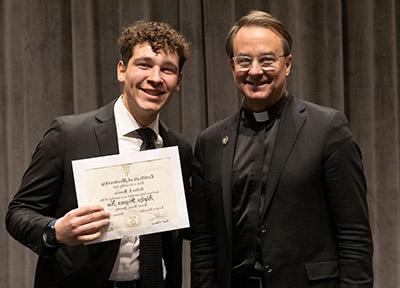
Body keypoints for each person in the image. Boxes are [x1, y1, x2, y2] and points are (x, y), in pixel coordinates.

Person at [189, 10, 373, 288]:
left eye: (266, 60)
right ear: (232, 67)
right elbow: (204, 245)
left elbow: (354, 234)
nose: (254, 71)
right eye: (244, 61)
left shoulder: (328, 129)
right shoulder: (210, 142)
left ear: (287, 64)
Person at [6, 20, 192, 288]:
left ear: (179, 82)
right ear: (121, 70)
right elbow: (19, 212)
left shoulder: (180, 149)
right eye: (144, 65)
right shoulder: (69, 134)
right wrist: (56, 231)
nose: (155, 78)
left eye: (168, 69)